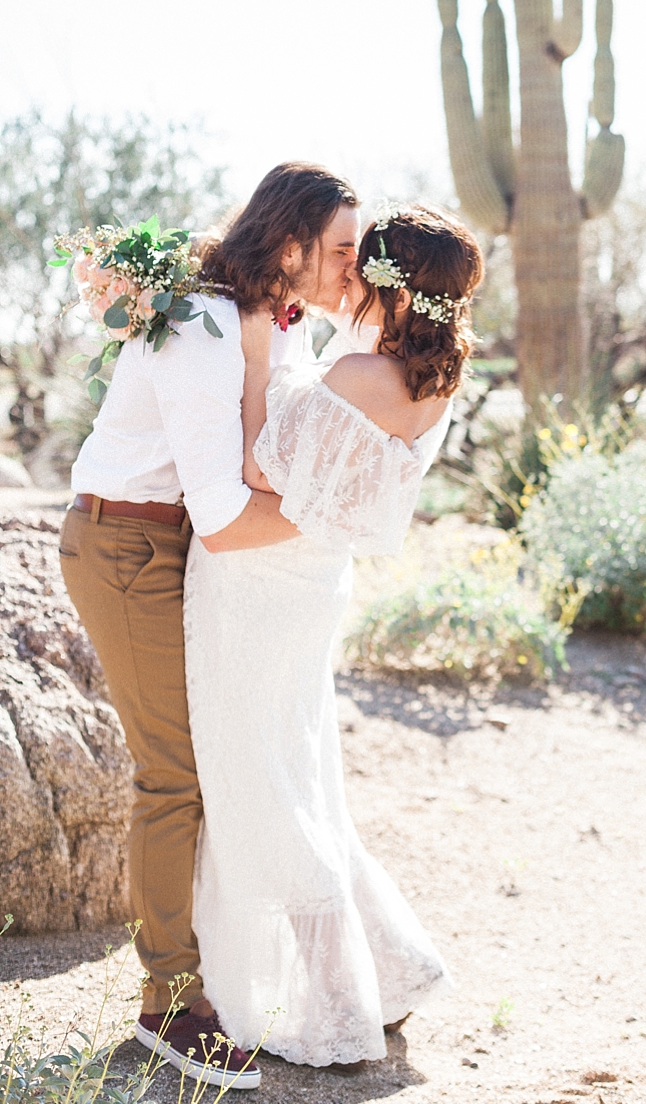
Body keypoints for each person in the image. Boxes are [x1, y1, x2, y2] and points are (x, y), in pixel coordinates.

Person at [59, 163, 360, 1091]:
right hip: (129, 548)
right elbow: (226, 515)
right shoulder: (203, 331)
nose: (357, 271)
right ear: (289, 245)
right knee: (175, 774)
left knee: (215, 758)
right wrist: (349, 513)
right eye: (342, 251)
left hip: (168, 544)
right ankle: (168, 1005)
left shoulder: (261, 320)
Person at [182, 204, 483, 1071]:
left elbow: (256, 468)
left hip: (256, 587)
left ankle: (341, 1004)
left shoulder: (359, 370)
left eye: (360, 265)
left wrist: (249, 366)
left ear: (390, 285)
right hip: (310, 582)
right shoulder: (431, 379)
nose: (343, 275)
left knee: (261, 784)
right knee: (298, 775)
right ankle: (384, 973)